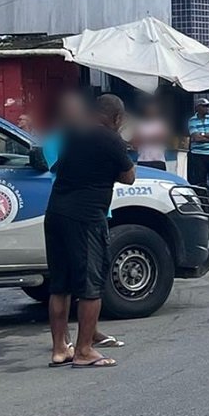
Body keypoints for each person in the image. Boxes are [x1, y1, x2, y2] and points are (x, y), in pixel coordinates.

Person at [45, 93, 135, 369]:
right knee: (90, 285)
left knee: (59, 285)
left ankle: (61, 348)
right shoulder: (111, 140)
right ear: (117, 118)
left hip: (56, 212)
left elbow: (60, 166)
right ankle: (84, 350)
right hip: (86, 218)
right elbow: (129, 177)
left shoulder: (72, 134)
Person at [132, 99, 171, 171]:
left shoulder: (161, 124)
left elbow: (163, 139)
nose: (151, 112)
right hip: (143, 160)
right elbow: (135, 143)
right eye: (149, 110)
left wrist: (144, 138)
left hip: (159, 160)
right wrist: (153, 138)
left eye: (153, 110)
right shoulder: (140, 125)